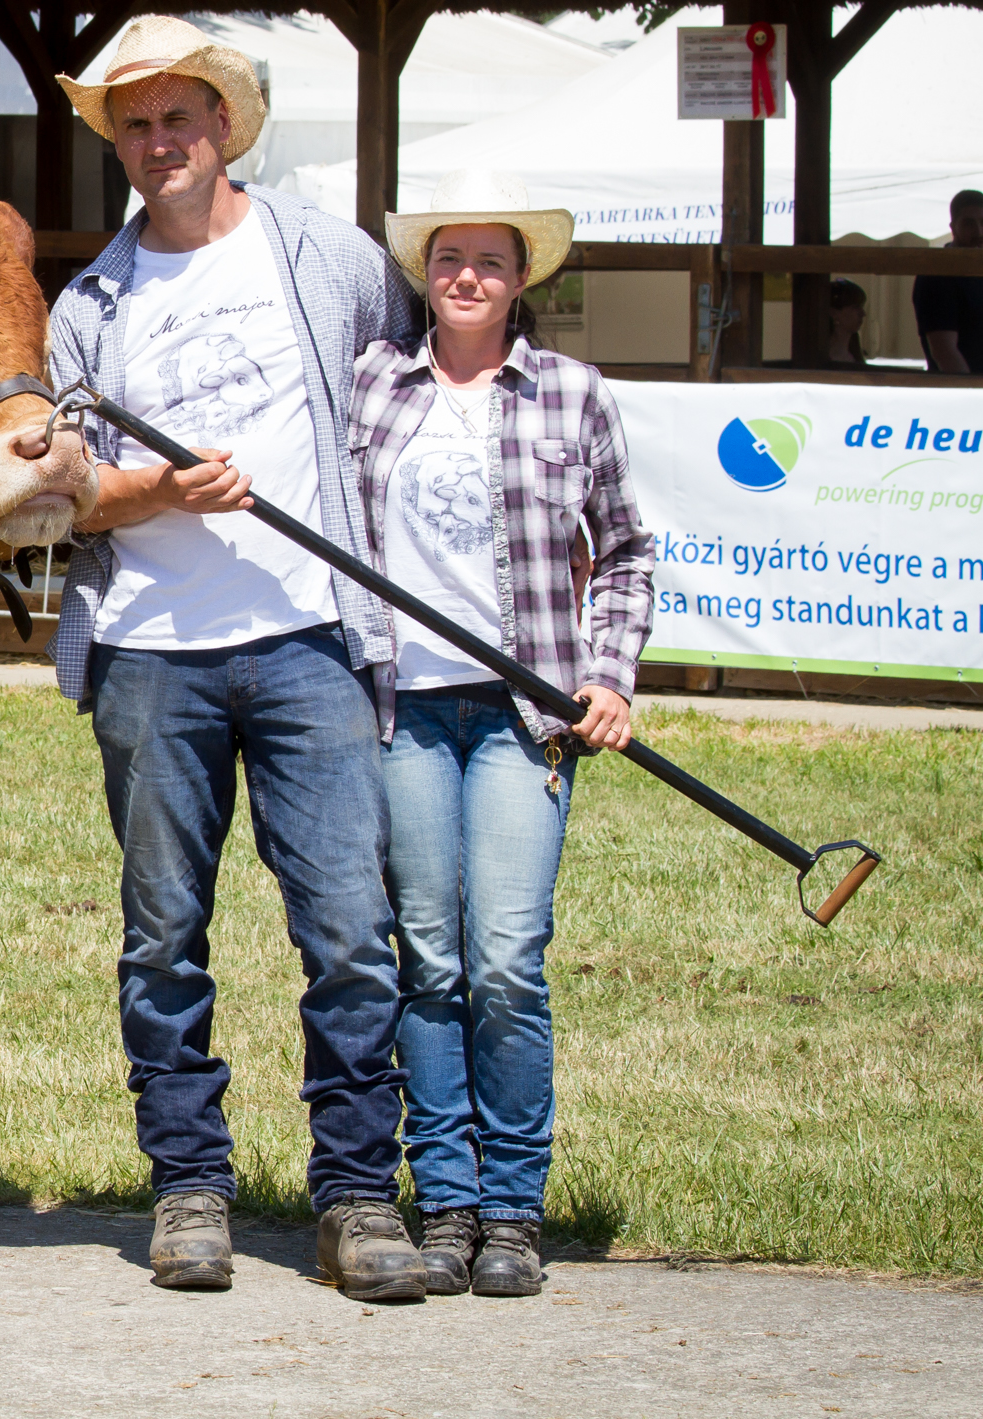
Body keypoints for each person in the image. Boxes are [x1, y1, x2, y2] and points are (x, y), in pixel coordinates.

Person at [46, 16, 429, 1301]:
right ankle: (189, 1187)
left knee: (351, 932)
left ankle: (357, 1196)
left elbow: (407, 386)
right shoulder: (87, 307)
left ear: (224, 129)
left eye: (179, 119)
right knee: (163, 934)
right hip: (152, 656)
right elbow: (55, 496)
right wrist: (148, 486)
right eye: (136, 125)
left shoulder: (329, 258)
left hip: (314, 640)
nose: (159, 143)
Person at [354, 169, 654, 1298]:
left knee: (506, 961)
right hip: (407, 705)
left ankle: (516, 1206)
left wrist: (607, 675)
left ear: (521, 278)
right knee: (426, 957)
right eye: (445, 258)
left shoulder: (569, 394)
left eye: (487, 259)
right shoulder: (372, 388)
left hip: (525, 716)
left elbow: (624, 548)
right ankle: (449, 1196)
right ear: (421, 276)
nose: (464, 276)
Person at [913, 190, 983, 373]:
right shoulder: (938, 274)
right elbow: (944, 350)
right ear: (953, 227)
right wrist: (970, 395)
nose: (979, 231)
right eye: (969, 223)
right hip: (963, 392)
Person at [825, 279, 871, 368]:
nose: (862, 313)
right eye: (855, 307)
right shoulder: (826, 358)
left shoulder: (854, 355)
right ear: (834, 313)